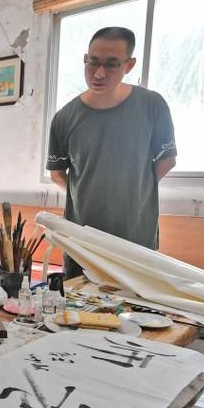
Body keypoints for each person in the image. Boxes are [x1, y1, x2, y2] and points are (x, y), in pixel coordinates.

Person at [45, 26, 176, 272]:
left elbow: (166, 162)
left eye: (111, 64)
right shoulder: (64, 118)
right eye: (92, 63)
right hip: (81, 242)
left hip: (135, 240)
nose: (99, 73)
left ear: (129, 65)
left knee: (134, 309)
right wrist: (86, 194)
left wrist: (130, 190)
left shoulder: (152, 106)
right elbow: (57, 173)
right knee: (76, 309)